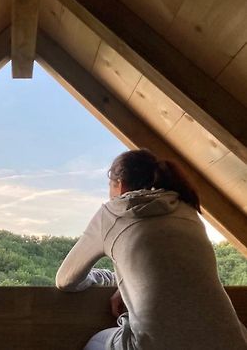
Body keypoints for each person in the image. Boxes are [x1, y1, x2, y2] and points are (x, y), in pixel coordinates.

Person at [56, 149, 247, 350]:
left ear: (119, 185)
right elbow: (175, 270)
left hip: (158, 345)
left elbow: (65, 280)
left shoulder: (112, 213)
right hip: (232, 342)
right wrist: (125, 285)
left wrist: (103, 277)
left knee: (95, 343)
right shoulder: (185, 207)